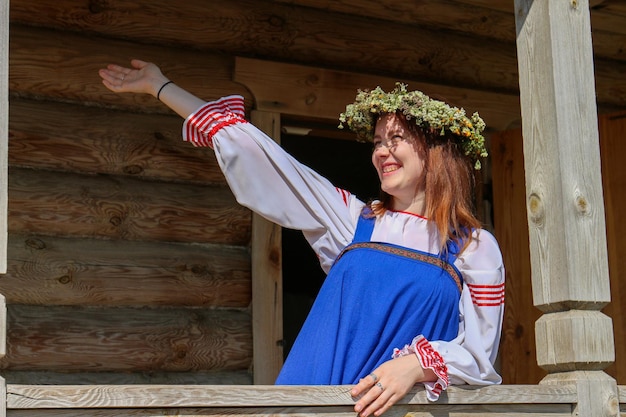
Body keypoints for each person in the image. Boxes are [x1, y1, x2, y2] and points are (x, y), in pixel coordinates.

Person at [99, 59, 505, 417]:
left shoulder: (472, 247)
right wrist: (160, 86)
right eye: (378, 142)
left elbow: (479, 358)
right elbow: (264, 157)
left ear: (436, 150)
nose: (381, 151)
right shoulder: (356, 221)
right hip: (309, 401)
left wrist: (417, 364)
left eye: (395, 139)